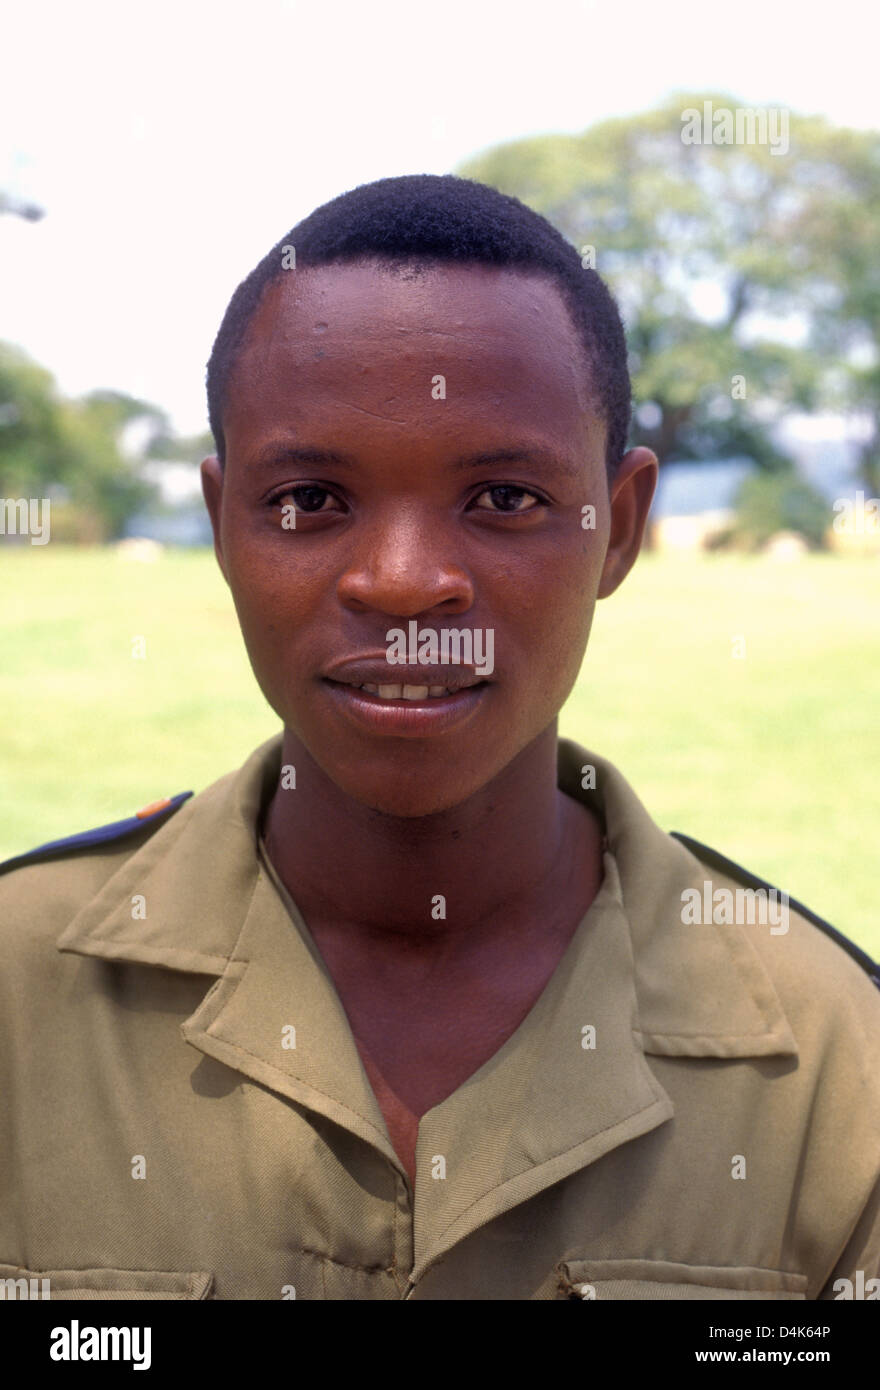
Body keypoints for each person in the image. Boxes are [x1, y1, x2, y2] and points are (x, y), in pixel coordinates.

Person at [1, 174, 877, 1302]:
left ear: (620, 530)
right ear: (223, 525)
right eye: (311, 499)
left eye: (504, 498)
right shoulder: (19, 998)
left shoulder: (828, 1070)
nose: (404, 582)